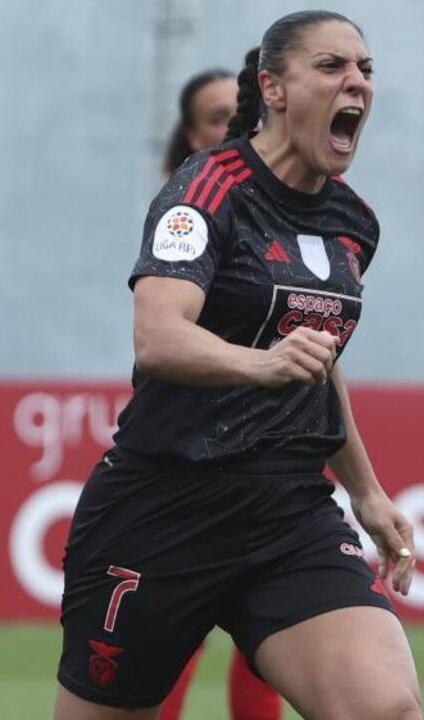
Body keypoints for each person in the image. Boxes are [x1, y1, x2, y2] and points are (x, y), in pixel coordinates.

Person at [54, 10, 423, 720]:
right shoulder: (205, 192)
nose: (357, 82)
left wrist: (368, 494)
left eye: (366, 70)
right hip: (163, 509)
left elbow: (317, 362)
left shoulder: (353, 222)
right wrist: (266, 363)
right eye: (332, 66)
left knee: (385, 710)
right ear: (274, 90)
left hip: (288, 512)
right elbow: (158, 337)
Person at [154, 68, 284, 720]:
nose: (234, 126)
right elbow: (158, 340)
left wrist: (365, 488)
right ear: (189, 133)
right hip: (193, 450)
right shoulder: (184, 216)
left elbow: (318, 348)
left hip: (279, 445)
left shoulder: (307, 213)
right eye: (215, 116)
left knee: (277, 639)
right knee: (174, 633)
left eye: (245, 113)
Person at [161, 68, 237, 177]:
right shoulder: (186, 192)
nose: (241, 123)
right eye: (219, 119)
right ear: (193, 136)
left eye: (247, 111)